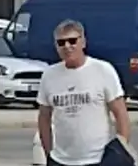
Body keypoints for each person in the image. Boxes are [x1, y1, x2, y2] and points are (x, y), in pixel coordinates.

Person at [36, 19, 131, 166]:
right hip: (61, 159)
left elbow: (120, 113)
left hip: (98, 159)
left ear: (83, 42)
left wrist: (120, 151)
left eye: (72, 41)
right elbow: (44, 117)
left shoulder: (103, 70)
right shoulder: (49, 75)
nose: (67, 46)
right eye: (61, 43)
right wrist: (49, 153)